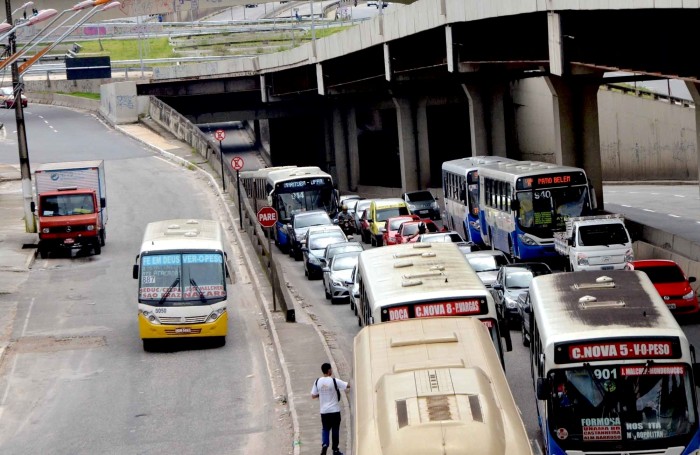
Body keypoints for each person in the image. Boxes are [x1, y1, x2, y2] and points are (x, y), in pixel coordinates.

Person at [311, 362, 350, 455]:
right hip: (335, 411)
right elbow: (347, 385)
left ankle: (325, 445)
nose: (331, 370)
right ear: (328, 370)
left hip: (324, 412)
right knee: (335, 430)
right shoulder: (334, 381)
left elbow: (313, 395)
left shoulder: (317, 381)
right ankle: (335, 450)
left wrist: (321, 393)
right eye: (331, 369)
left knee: (325, 429)